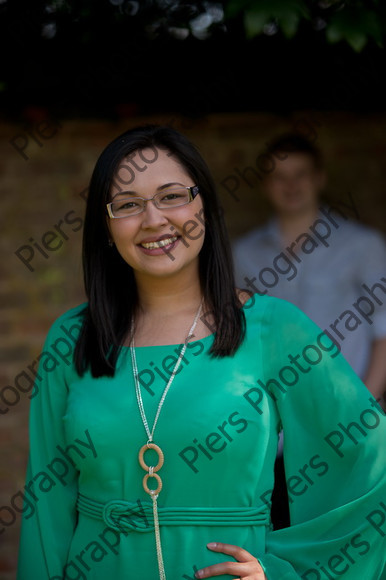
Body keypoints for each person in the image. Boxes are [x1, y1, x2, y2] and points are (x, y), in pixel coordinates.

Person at [17, 125, 386, 580]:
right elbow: (46, 509)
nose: (154, 220)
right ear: (107, 228)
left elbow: (371, 460)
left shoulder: (276, 329)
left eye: (172, 196)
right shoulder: (71, 336)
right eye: (128, 204)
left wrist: (286, 570)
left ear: (204, 207)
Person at [232, 132, 386, 407]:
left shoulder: (362, 244)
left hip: (347, 407)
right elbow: (237, 330)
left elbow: (383, 326)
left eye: (300, 174)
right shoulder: (243, 254)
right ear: (266, 185)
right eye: (280, 177)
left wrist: (366, 403)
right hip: (276, 414)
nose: (291, 185)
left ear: (319, 178)